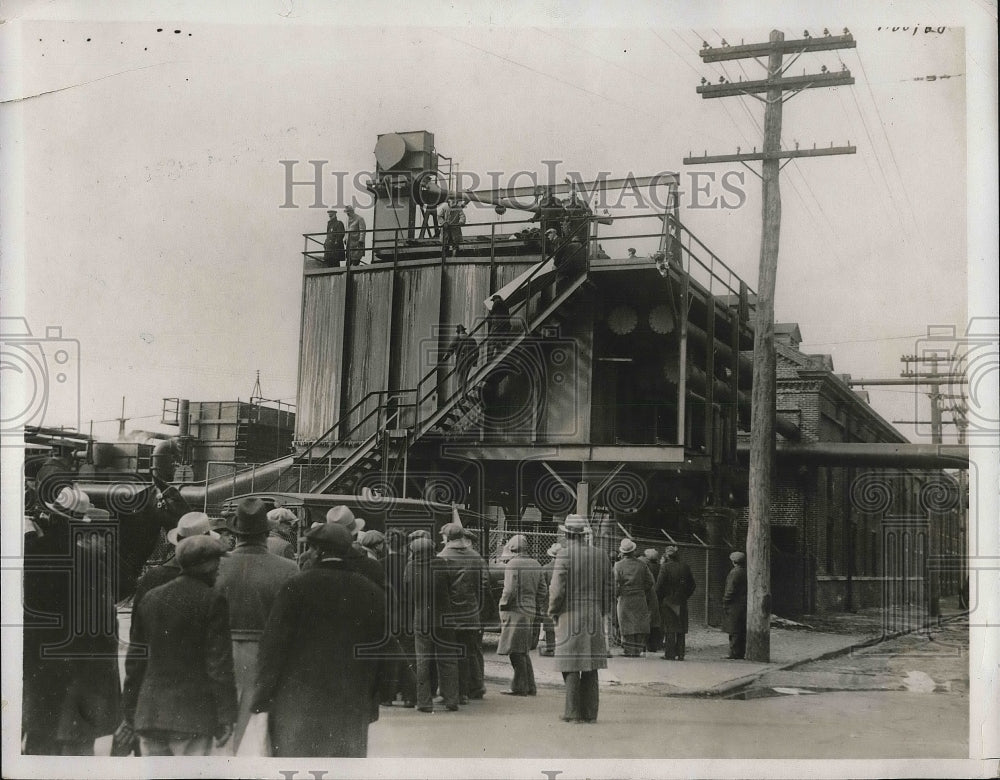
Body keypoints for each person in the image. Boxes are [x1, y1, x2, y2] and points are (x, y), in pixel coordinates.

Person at [251, 523, 386, 757]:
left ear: (316, 551)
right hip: (350, 702)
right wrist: (373, 700)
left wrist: (262, 696)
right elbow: (380, 650)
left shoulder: (296, 587)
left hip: (298, 702)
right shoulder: (371, 591)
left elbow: (273, 646)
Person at [23, 486, 122, 755]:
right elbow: (103, 622)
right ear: (79, 523)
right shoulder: (89, 559)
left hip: (37, 666)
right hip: (76, 669)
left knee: (39, 742)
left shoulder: (29, 553)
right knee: (74, 749)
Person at [121, 535, 236, 757]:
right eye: (217, 563)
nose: (219, 569)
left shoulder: (151, 598)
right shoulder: (212, 600)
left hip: (149, 715)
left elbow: (135, 662)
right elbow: (218, 665)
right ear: (207, 565)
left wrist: (130, 712)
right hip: (192, 717)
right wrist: (226, 716)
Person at [213, 497, 299, 748]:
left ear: (236, 533)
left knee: (225, 727)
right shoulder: (288, 568)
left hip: (221, 651)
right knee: (260, 730)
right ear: (266, 533)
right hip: (267, 654)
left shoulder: (217, 566)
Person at [548, 514, 611, 723]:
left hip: (570, 614)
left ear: (567, 534)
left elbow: (557, 590)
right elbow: (609, 588)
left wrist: (553, 611)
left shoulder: (563, 556)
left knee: (571, 663)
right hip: (593, 613)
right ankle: (590, 713)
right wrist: (601, 611)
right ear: (584, 534)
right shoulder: (601, 555)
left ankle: (572, 712)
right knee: (591, 664)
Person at [404, 536, 460, 712]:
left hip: (422, 620)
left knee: (423, 661)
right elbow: (451, 586)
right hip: (444, 619)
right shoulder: (442, 564)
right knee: (448, 659)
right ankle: (452, 699)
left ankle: (424, 701)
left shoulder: (411, 567)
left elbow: (408, 594)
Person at [437, 522, 490, 702]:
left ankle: (453, 693)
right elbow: (483, 586)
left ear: (447, 538)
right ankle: (466, 691)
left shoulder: (442, 557)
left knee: (449, 655)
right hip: (471, 613)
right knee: (467, 653)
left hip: (450, 615)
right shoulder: (476, 557)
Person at [496, 534, 547, 695]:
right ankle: (529, 686)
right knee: (522, 650)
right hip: (529, 610)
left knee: (514, 650)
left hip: (514, 610)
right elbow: (543, 590)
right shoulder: (536, 564)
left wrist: (502, 604)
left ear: (512, 549)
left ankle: (519, 686)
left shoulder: (512, 564)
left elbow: (509, 590)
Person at [382, 528, 417, 707]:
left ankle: (388, 696)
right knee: (410, 655)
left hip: (389, 615)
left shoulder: (381, 564)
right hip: (409, 615)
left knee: (388, 656)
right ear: (404, 544)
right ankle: (409, 696)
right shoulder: (410, 564)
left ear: (386, 544)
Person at [613, 538, 655, 657]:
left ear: (622, 552)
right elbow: (650, 581)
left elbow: (616, 582)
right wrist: (642, 590)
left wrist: (617, 595)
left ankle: (628, 649)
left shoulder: (618, 565)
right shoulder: (642, 564)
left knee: (625, 622)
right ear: (633, 551)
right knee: (639, 622)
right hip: (639, 596)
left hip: (625, 597)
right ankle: (638, 648)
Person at [656, 545, 696, 660]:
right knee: (681, 627)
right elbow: (692, 585)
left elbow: (659, 585)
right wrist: (685, 595)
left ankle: (670, 653)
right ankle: (681, 653)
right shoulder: (685, 567)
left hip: (668, 600)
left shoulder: (665, 567)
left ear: (667, 556)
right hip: (681, 600)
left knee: (670, 627)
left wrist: (661, 597)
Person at [722, 551, 748, 659]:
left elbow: (730, 589)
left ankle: (734, 653)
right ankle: (740, 652)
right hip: (743, 603)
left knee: (733, 629)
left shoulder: (734, 573)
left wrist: (725, 600)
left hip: (734, 604)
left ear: (733, 561)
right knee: (741, 628)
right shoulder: (746, 572)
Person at [538, 543, 562, 656]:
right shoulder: (567, 569)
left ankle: (550, 648)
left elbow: (542, 586)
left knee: (548, 625)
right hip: (563, 600)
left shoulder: (546, 569)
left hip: (549, 599)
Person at [445, 324, 479, 391]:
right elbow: (477, 352)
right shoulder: (472, 339)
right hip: (469, 360)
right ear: (464, 331)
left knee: (460, 377)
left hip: (461, 360)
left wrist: (445, 358)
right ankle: (466, 389)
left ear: (458, 332)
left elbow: (450, 349)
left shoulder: (457, 339)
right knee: (465, 376)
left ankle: (462, 393)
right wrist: (475, 362)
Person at [643, 549, 664, 652]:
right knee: (657, 620)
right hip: (658, 597)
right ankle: (656, 644)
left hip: (648, 595)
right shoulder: (660, 567)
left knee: (647, 619)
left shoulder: (646, 567)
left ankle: (646, 644)